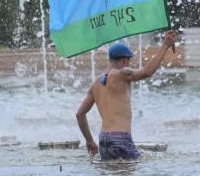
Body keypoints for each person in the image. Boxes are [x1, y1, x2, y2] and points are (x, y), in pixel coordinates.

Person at [76, 30, 177, 161]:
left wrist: (89, 140)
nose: (129, 65)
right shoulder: (122, 74)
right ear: (124, 61)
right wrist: (165, 45)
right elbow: (147, 72)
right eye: (128, 61)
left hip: (103, 139)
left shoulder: (96, 83)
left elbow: (80, 114)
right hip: (120, 136)